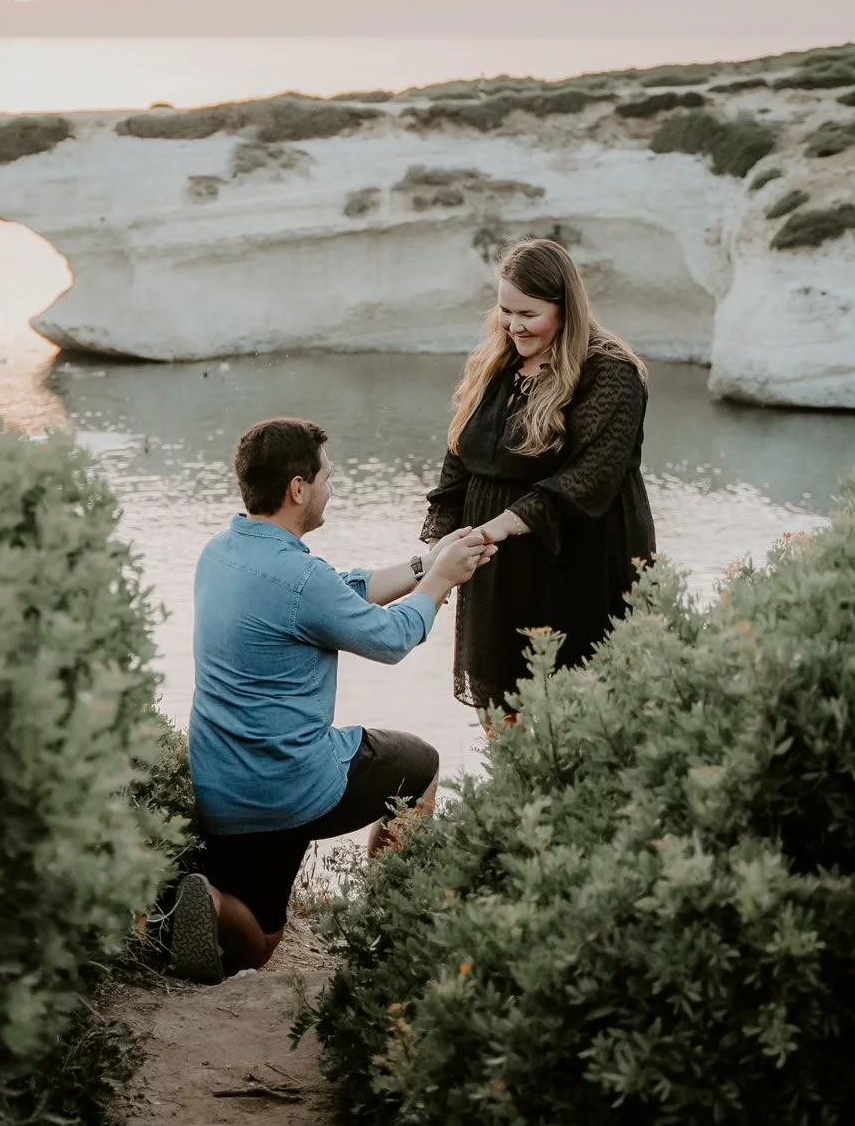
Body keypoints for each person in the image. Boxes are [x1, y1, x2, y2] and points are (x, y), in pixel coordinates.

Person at [162, 417, 494, 984]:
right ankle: (390, 922)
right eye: (328, 476)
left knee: (261, 939)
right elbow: (389, 639)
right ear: (298, 487)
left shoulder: (219, 552)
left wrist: (424, 563)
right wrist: (440, 585)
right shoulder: (298, 579)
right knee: (421, 765)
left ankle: (207, 904)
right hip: (287, 783)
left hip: (222, 782)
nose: (332, 488)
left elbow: (331, 591)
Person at [423, 237, 654, 722]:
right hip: (496, 573)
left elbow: (587, 481)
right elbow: (459, 461)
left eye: (528, 314)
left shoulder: (610, 373)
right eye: (505, 311)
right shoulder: (497, 362)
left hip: (576, 567)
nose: (512, 325)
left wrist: (498, 527)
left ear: (565, 306)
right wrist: (442, 554)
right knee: (502, 717)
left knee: (572, 715)